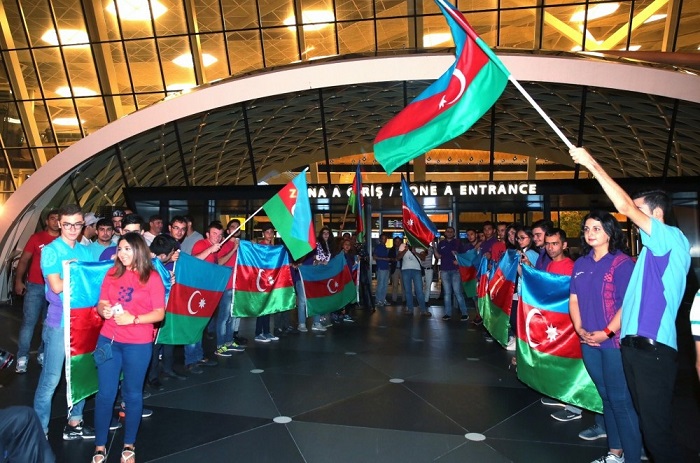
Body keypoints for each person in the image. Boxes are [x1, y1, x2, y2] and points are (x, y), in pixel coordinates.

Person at [570, 147, 691, 463]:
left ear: (657, 215)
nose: (631, 216)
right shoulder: (647, 258)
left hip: (654, 350)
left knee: (657, 433)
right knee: (644, 425)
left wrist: (591, 163)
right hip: (634, 348)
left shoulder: (670, 238)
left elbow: (621, 203)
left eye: (638, 211)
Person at [569, 211, 641, 463]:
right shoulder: (581, 263)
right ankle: (615, 452)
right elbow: (574, 299)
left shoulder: (622, 264)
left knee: (620, 401)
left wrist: (606, 332)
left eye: (597, 228)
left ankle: (632, 456)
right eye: (587, 228)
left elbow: (629, 304)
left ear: (610, 232)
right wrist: (579, 329)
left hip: (613, 343)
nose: (590, 233)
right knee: (607, 398)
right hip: (588, 341)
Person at [92, 232, 166, 463]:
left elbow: (159, 313)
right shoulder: (112, 273)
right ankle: (100, 446)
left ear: (139, 250)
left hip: (137, 344)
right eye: (120, 249)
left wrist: (133, 319)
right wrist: (102, 309)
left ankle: (129, 445)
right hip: (109, 341)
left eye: (127, 249)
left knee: (132, 395)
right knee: (105, 395)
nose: (122, 254)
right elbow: (102, 300)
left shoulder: (152, 277)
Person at [34, 204, 95, 440]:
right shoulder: (51, 250)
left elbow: (94, 284)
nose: (72, 229)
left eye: (77, 224)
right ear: (59, 224)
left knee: (80, 374)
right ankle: (39, 430)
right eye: (67, 224)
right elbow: (57, 286)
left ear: (82, 225)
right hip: (59, 322)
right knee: (51, 379)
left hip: (82, 321)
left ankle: (75, 422)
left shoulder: (85, 250)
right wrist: (75, 271)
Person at [14, 209, 59, 374]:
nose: (56, 222)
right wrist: (18, 281)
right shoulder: (36, 238)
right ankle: (22, 357)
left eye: (58, 219)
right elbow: (24, 260)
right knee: (29, 323)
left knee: (49, 325)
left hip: (54, 289)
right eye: (53, 218)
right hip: (35, 286)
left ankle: (42, 353)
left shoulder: (63, 241)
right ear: (47, 221)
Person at [214, 219, 247, 354]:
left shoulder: (242, 246)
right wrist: (233, 249)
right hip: (226, 286)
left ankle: (229, 341)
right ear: (227, 231)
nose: (235, 229)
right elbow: (220, 262)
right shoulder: (223, 245)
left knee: (233, 316)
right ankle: (220, 345)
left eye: (237, 227)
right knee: (223, 317)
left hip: (237, 286)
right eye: (232, 227)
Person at [435, 226, 469, 321]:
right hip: (444, 270)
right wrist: (434, 248)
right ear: (445, 233)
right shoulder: (441, 243)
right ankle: (447, 313)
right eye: (448, 231)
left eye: (451, 231)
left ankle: (464, 313)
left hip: (455, 270)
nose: (449, 233)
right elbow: (438, 256)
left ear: (454, 234)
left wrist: (458, 258)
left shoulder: (458, 243)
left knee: (458, 292)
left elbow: (464, 256)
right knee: (447, 293)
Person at [254, 223, 280, 342]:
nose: (270, 234)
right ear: (263, 234)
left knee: (268, 306)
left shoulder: (274, 247)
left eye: (271, 232)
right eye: (267, 232)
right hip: (262, 280)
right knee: (262, 306)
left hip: (270, 280)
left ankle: (267, 331)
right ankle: (258, 333)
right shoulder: (261, 246)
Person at [396, 242, 430, 317]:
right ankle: (410, 309)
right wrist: (405, 250)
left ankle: (423, 310)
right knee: (408, 291)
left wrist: (415, 252)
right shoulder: (402, 245)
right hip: (405, 270)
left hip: (417, 270)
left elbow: (423, 258)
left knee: (419, 291)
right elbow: (398, 257)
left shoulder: (420, 245)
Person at [373, 233, 390, 307]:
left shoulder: (385, 247)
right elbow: (374, 257)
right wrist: (384, 259)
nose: (384, 240)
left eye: (385, 238)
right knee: (380, 284)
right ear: (380, 239)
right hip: (381, 268)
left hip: (386, 268)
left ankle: (383, 299)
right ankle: (378, 300)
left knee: (385, 285)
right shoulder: (378, 247)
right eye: (383, 238)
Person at [388, 236, 404, 304]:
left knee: (404, 285)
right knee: (395, 285)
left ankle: (404, 299)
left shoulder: (404, 249)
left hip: (403, 269)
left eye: (399, 241)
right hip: (395, 269)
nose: (397, 243)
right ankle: (394, 299)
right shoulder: (391, 249)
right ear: (394, 242)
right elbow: (389, 258)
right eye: (396, 241)